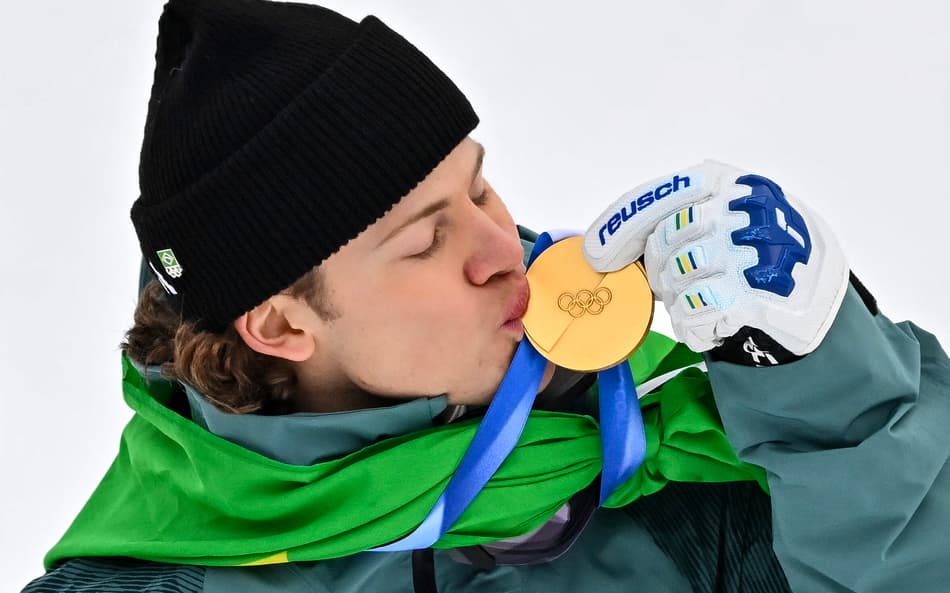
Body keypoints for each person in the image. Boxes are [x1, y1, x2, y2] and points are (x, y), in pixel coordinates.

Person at [21, 0, 950, 591]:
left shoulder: (668, 470)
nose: (504, 245)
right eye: (426, 239)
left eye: (478, 187)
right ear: (280, 322)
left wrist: (824, 385)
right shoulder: (144, 583)